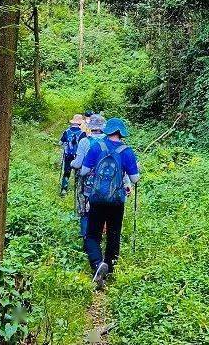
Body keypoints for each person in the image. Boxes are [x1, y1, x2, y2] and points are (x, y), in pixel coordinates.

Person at [81, 117, 139, 288]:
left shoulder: (95, 146)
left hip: (97, 198)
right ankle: (109, 268)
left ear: (107, 131)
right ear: (121, 133)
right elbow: (135, 179)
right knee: (114, 234)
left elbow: (84, 171)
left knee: (92, 235)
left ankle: (98, 264)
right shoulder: (127, 151)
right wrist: (136, 169)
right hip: (116, 200)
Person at [71, 114, 106, 237]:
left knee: (84, 209)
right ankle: (99, 235)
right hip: (105, 181)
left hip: (86, 180)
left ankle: (86, 236)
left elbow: (78, 163)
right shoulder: (109, 141)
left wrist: (72, 163)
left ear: (90, 127)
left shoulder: (85, 141)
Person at [59, 115, 84, 196]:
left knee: (66, 171)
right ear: (80, 123)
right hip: (78, 156)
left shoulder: (66, 131)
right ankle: (77, 188)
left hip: (68, 155)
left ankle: (64, 189)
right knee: (78, 172)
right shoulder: (82, 133)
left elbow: (61, 142)